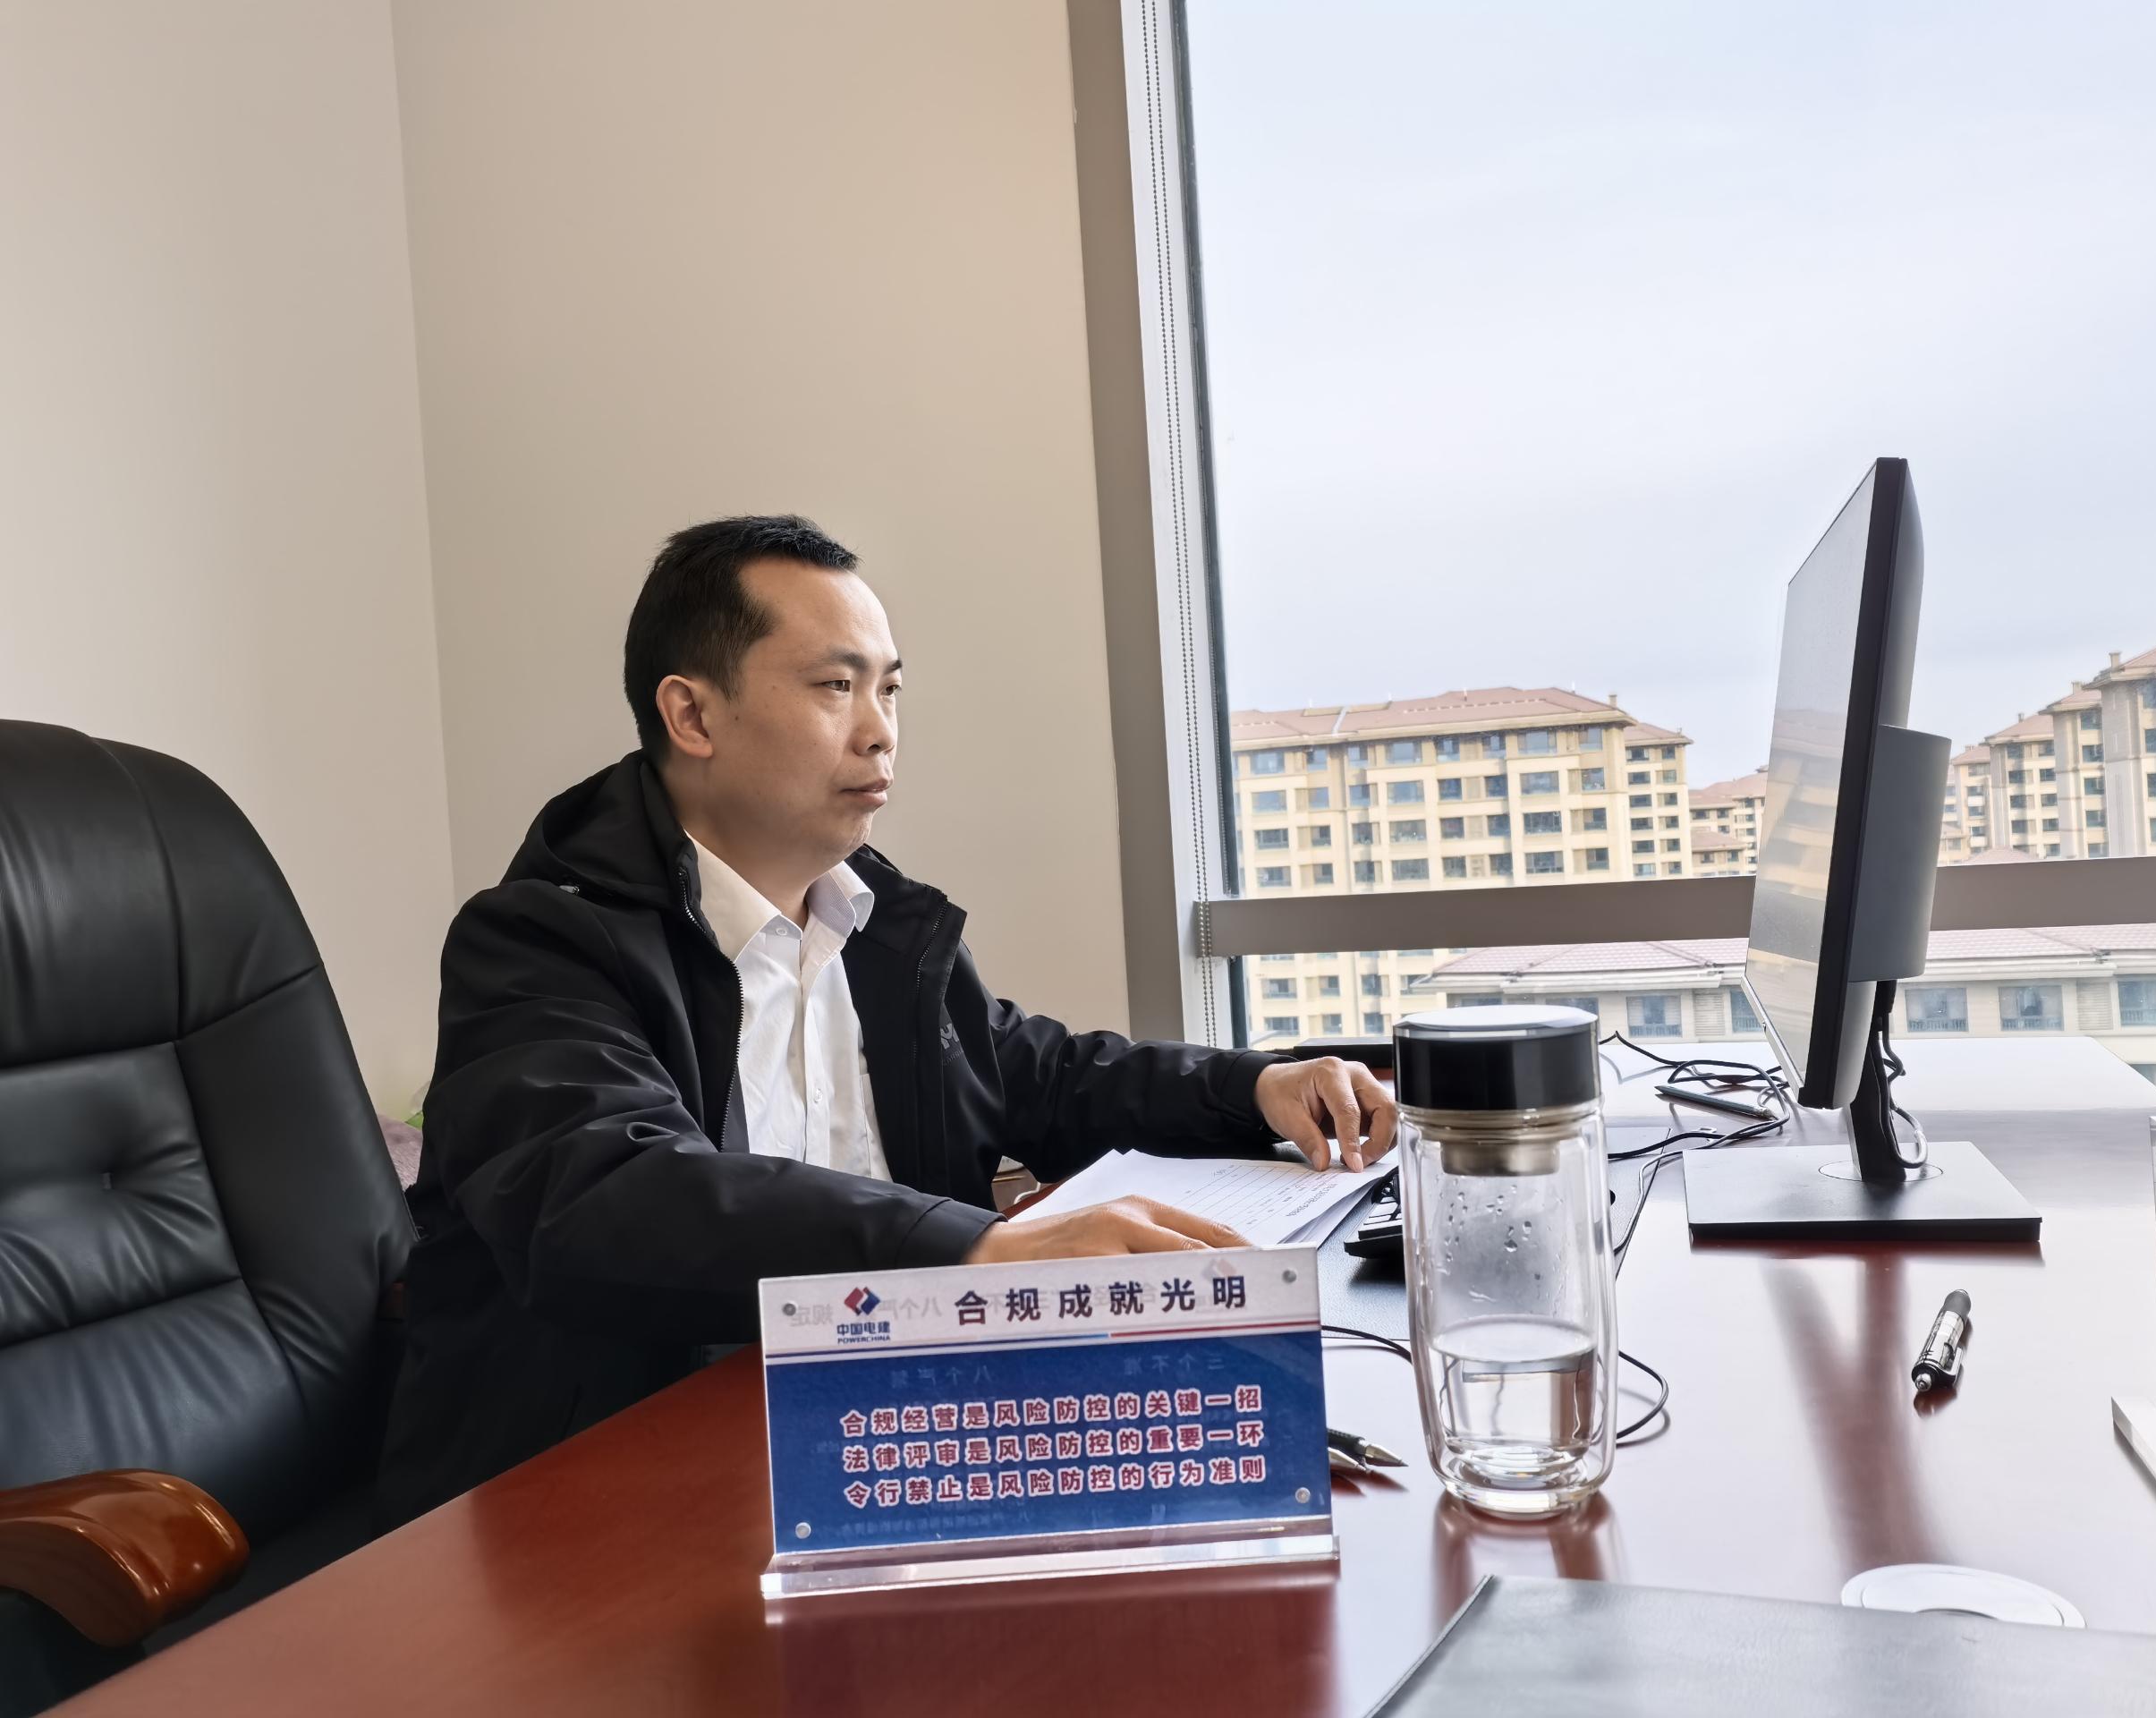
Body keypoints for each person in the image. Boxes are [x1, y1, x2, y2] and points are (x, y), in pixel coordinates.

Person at [376, 515, 1396, 1527]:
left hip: (865, 1440)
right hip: (602, 1489)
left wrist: (1254, 1086)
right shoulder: (538, 942)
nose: (879, 731)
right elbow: (607, 1193)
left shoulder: (872, 919)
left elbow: (1034, 1070)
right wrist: (976, 1253)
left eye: (889, 689)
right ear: (692, 715)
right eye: (836, 686)